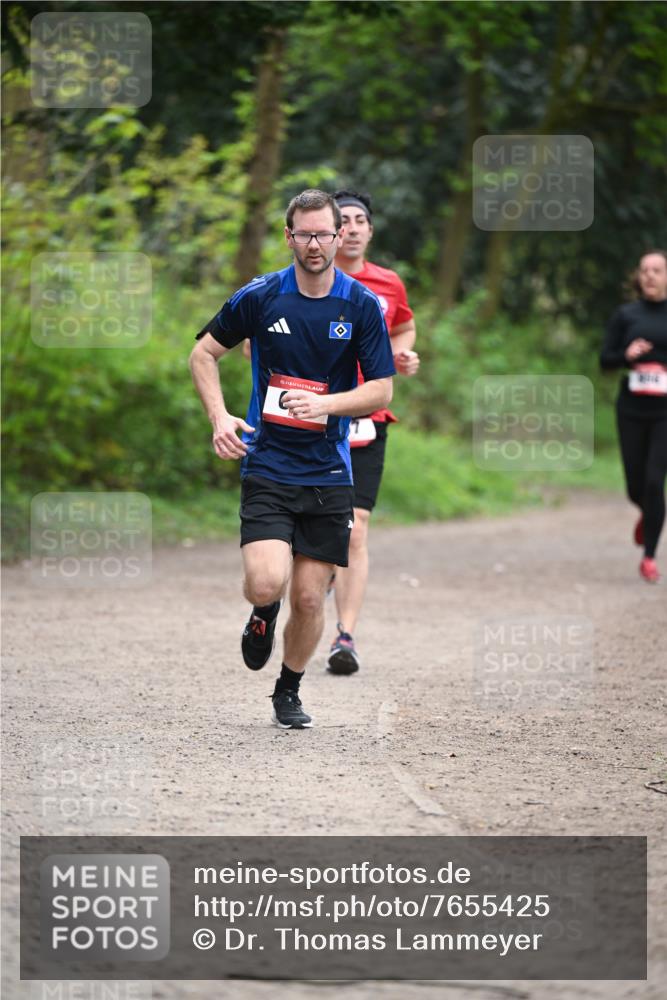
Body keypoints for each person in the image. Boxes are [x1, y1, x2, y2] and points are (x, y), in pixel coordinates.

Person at [189, 189, 395, 728]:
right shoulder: (261, 296)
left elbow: (381, 391)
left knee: (308, 599)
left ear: (339, 236)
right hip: (270, 464)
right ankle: (261, 612)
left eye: (324, 233)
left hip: (329, 471)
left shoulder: (361, 305)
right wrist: (220, 416)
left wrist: (326, 404)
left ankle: (288, 689)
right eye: (303, 234)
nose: (315, 243)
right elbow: (203, 353)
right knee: (266, 583)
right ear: (289, 237)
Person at [326, 190, 419, 675]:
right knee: (322, 529)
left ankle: (345, 637)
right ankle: (315, 580)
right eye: (346, 220)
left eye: (362, 219)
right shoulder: (314, 280)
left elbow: (404, 328)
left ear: (371, 230)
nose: (355, 227)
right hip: (316, 415)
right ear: (331, 230)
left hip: (369, 418)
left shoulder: (388, 283)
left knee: (356, 528)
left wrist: (402, 355)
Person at [600, 249, 667, 583]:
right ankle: (648, 511)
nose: (650, 276)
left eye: (656, 270)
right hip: (631, 409)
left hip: (664, 412)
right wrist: (626, 356)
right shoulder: (626, 315)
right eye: (644, 271)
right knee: (635, 487)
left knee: (655, 482)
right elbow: (605, 360)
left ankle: (650, 557)